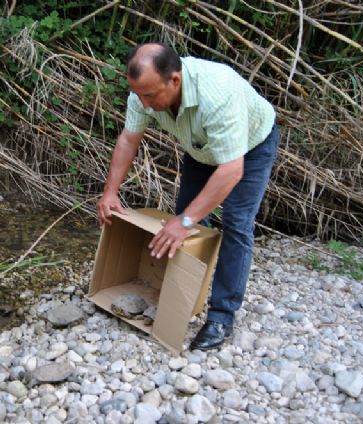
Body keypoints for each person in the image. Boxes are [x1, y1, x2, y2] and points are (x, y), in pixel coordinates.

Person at [96, 42, 279, 351]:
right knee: (184, 219)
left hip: (250, 147)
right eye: (138, 95)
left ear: (175, 81)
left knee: (235, 223)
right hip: (201, 147)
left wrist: (185, 221)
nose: (144, 103)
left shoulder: (217, 93)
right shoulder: (143, 93)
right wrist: (110, 192)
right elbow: (129, 139)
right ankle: (181, 299)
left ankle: (221, 316)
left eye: (151, 96)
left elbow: (231, 170)